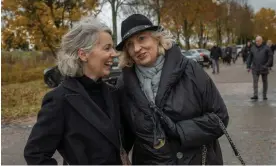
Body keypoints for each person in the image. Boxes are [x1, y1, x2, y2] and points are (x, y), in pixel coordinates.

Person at [116, 14, 229, 165]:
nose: (136, 48)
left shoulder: (190, 70)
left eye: (142, 38)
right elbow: (125, 135)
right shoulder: (124, 84)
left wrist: (179, 131)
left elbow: (220, 117)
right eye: (129, 44)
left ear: (157, 38)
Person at [24, 17, 127, 165]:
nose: (114, 53)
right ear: (83, 54)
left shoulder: (113, 93)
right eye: (107, 48)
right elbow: (35, 154)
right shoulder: (59, 100)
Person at [247, 36, 273, 100]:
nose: (257, 42)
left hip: (264, 67)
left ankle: (264, 95)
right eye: (256, 41)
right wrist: (248, 66)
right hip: (255, 68)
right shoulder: (253, 48)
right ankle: (255, 95)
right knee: (255, 82)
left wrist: (267, 65)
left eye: (258, 41)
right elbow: (250, 57)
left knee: (265, 82)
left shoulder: (266, 48)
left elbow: (270, 57)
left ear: (261, 41)